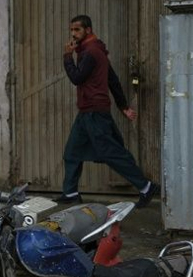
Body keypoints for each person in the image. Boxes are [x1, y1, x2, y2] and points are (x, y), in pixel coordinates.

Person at [57, 15, 159, 208]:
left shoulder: (91, 53)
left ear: (88, 30)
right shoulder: (95, 50)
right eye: (71, 30)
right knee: (72, 152)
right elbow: (112, 80)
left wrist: (67, 57)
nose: (73, 34)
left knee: (111, 153)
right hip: (87, 112)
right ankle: (70, 193)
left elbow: (77, 78)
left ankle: (146, 187)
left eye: (77, 30)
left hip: (94, 112)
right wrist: (124, 107)